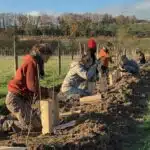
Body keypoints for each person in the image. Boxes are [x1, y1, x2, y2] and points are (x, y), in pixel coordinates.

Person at [5, 43, 52, 132]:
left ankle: (16, 116)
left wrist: (44, 91)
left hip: (23, 98)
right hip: (15, 98)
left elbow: (33, 86)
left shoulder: (35, 62)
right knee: (31, 128)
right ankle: (5, 123)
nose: (48, 58)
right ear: (42, 53)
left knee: (38, 124)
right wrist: (46, 93)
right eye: (48, 55)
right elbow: (32, 86)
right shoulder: (31, 63)